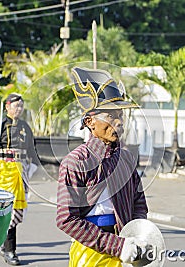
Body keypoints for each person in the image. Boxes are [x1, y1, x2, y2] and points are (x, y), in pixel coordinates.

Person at [56, 67, 149, 266]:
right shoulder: (75, 162)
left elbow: (139, 203)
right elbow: (66, 219)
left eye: (121, 116)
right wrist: (116, 245)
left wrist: (138, 234)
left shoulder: (126, 158)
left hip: (126, 247)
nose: (119, 123)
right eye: (111, 116)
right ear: (90, 121)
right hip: (90, 251)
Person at [0, 92, 39, 266]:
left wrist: (33, 166)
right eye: (15, 105)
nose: (19, 109)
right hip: (4, 172)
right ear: (7, 107)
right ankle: (9, 249)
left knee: (17, 211)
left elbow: (33, 150)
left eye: (21, 106)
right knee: (7, 211)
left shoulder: (26, 127)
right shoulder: (0, 125)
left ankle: (6, 246)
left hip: (21, 172)